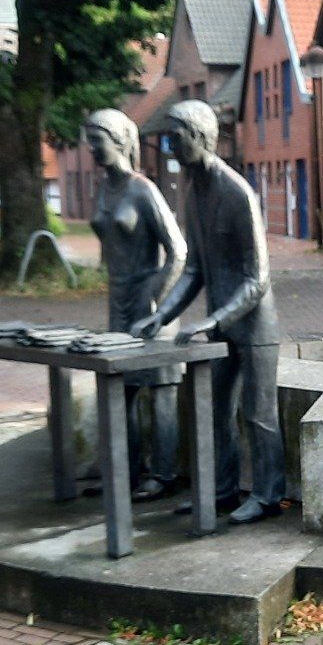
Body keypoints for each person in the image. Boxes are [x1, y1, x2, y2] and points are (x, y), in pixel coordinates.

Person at [132, 100, 287, 525]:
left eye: (176, 137)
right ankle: (222, 490)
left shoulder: (237, 193)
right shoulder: (192, 192)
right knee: (217, 410)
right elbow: (195, 269)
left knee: (259, 414)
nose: (170, 145)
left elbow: (258, 278)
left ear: (201, 137)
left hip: (253, 326)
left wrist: (214, 320)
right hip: (220, 325)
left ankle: (268, 495)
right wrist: (162, 315)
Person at [85, 108, 186, 500]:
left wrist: (157, 298)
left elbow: (178, 251)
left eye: (99, 141)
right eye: (90, 141)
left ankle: (163, 475)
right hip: (118, 298)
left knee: (160, 389)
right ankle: (124, 470)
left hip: (149, 302)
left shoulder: (143, 189)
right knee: (120, 387)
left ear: (120, 142)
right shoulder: (104, 188)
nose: (92, 149)